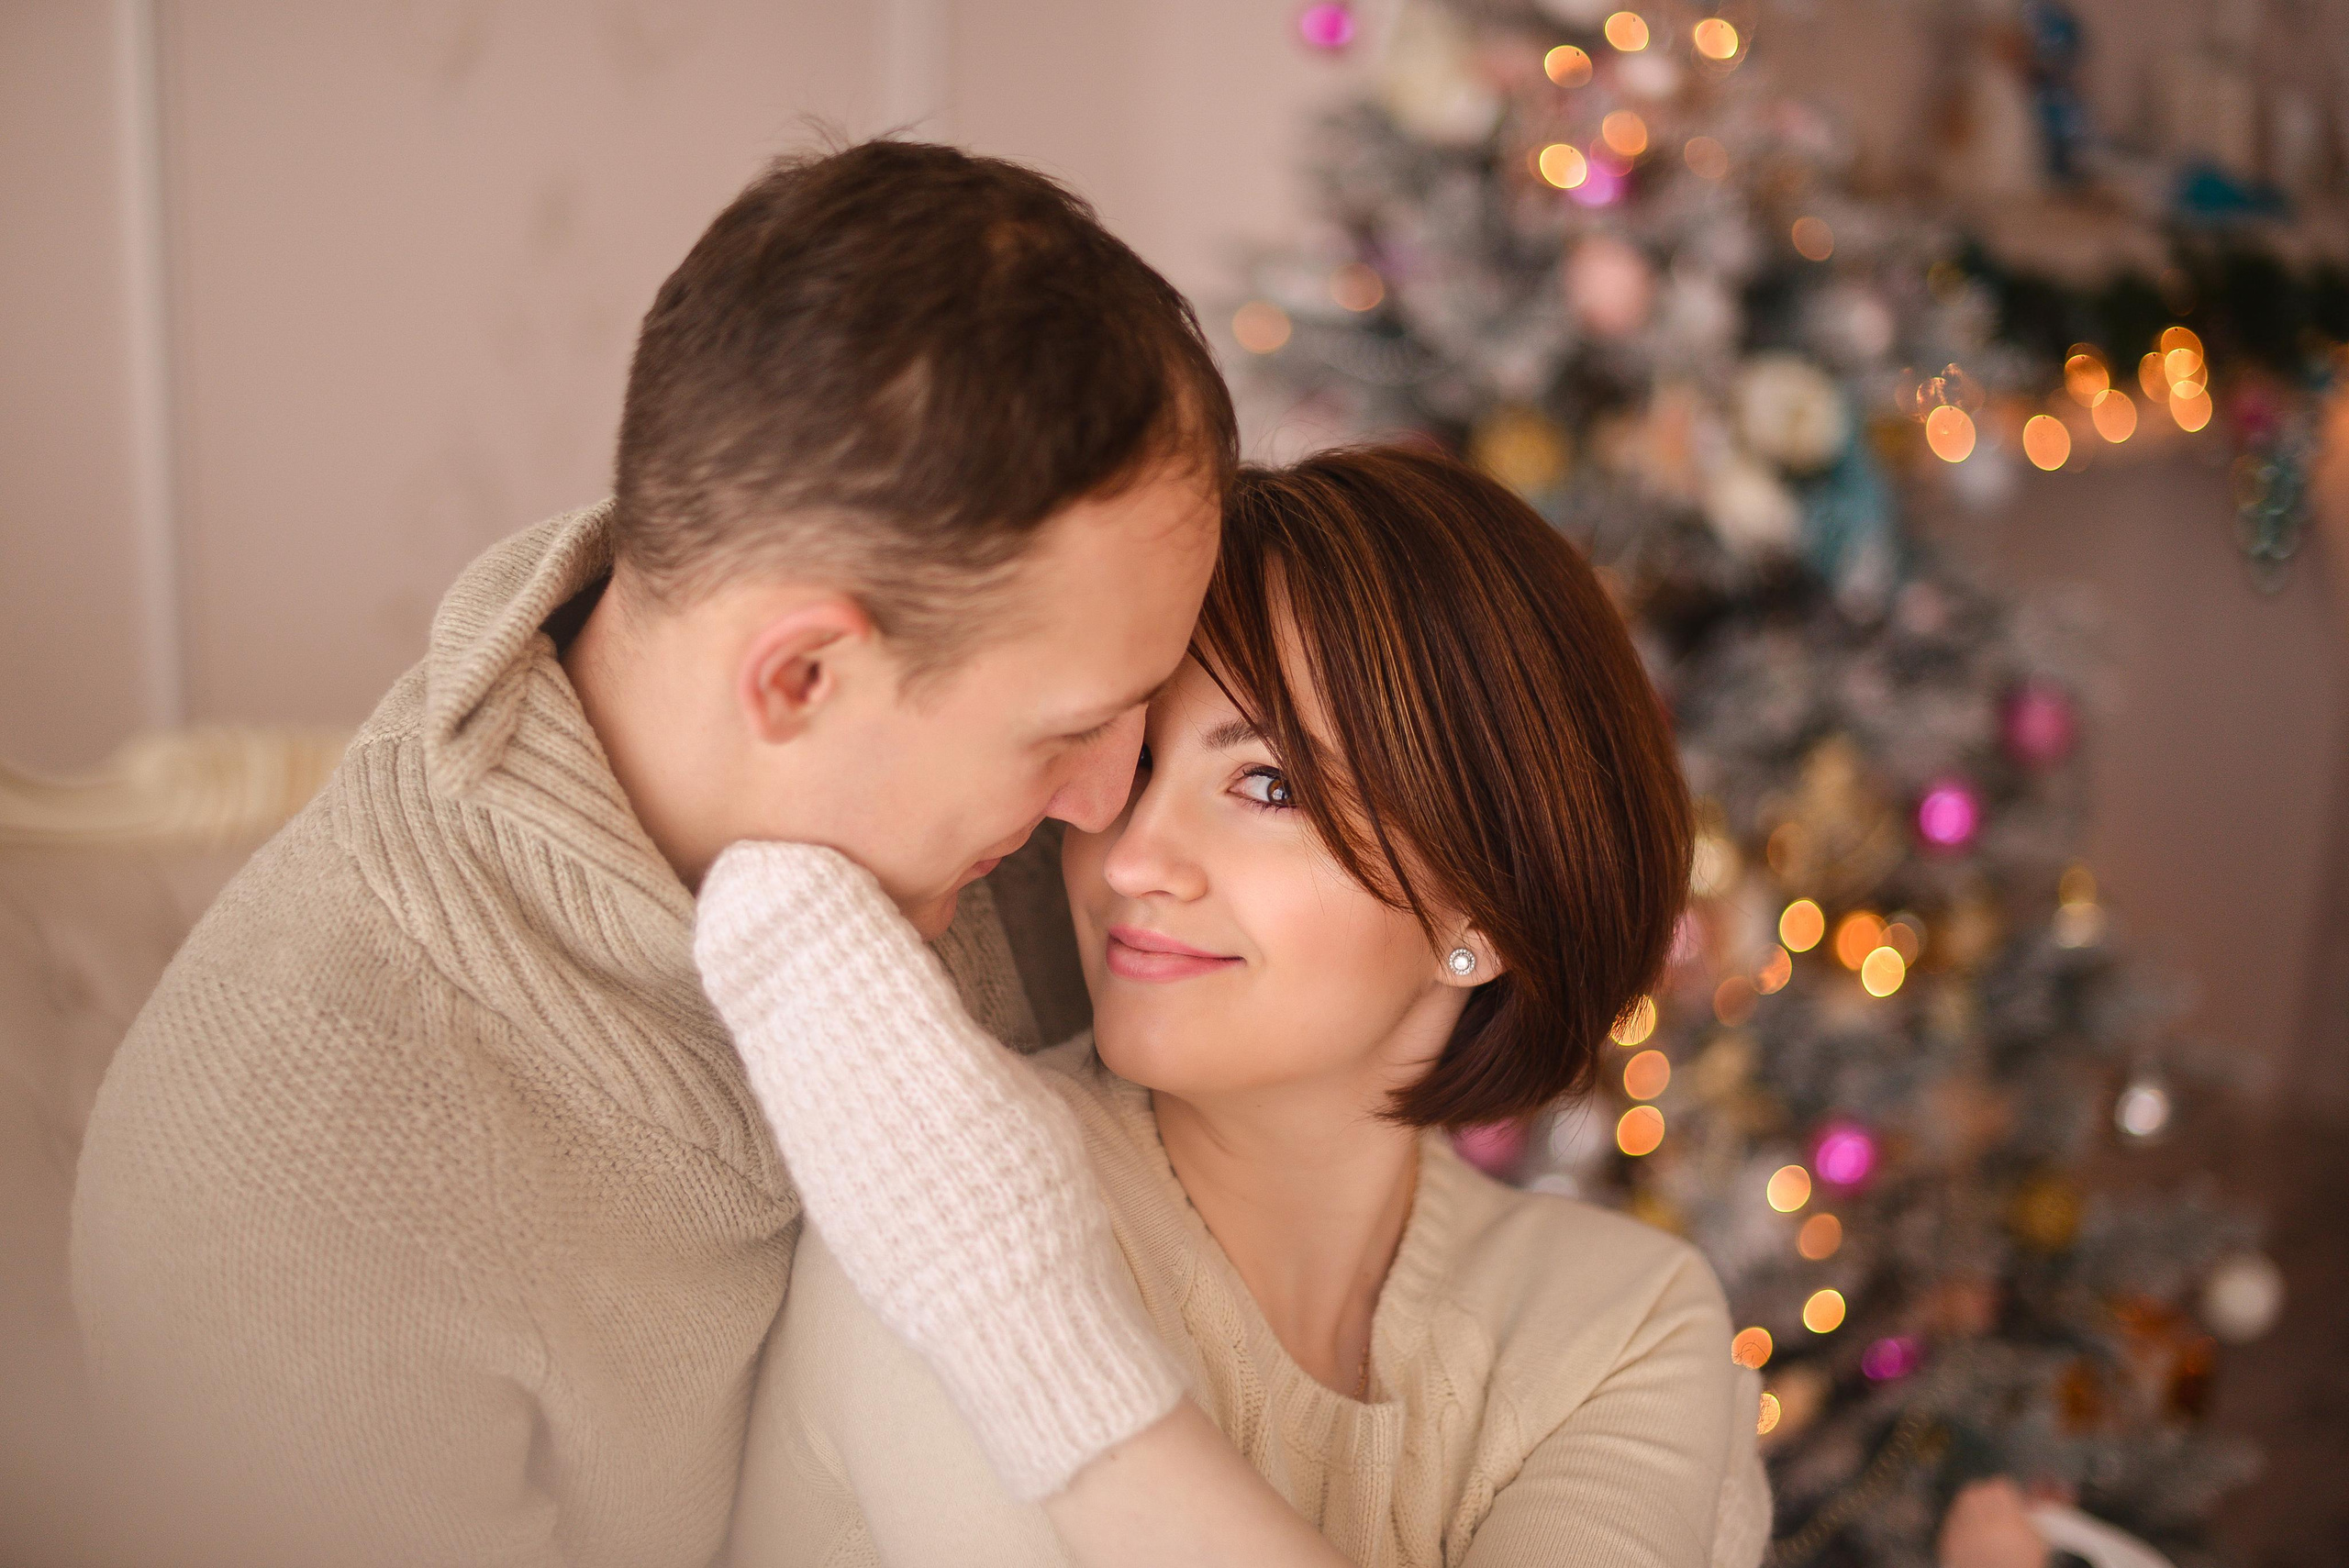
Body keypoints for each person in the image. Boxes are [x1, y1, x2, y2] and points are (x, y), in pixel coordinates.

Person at [68, 139, 1235, 1567]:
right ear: (800, 677)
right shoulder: (285, 1189)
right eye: (1069, 731)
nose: (1112, 806)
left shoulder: (1009, 840)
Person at [699, 447, 1775, 1567]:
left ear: (1487, 905)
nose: (1131, 857)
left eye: (1269, 784)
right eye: (1133, 763)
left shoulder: (1621, 1321)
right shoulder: (926, 1190)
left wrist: (1029, 1337)